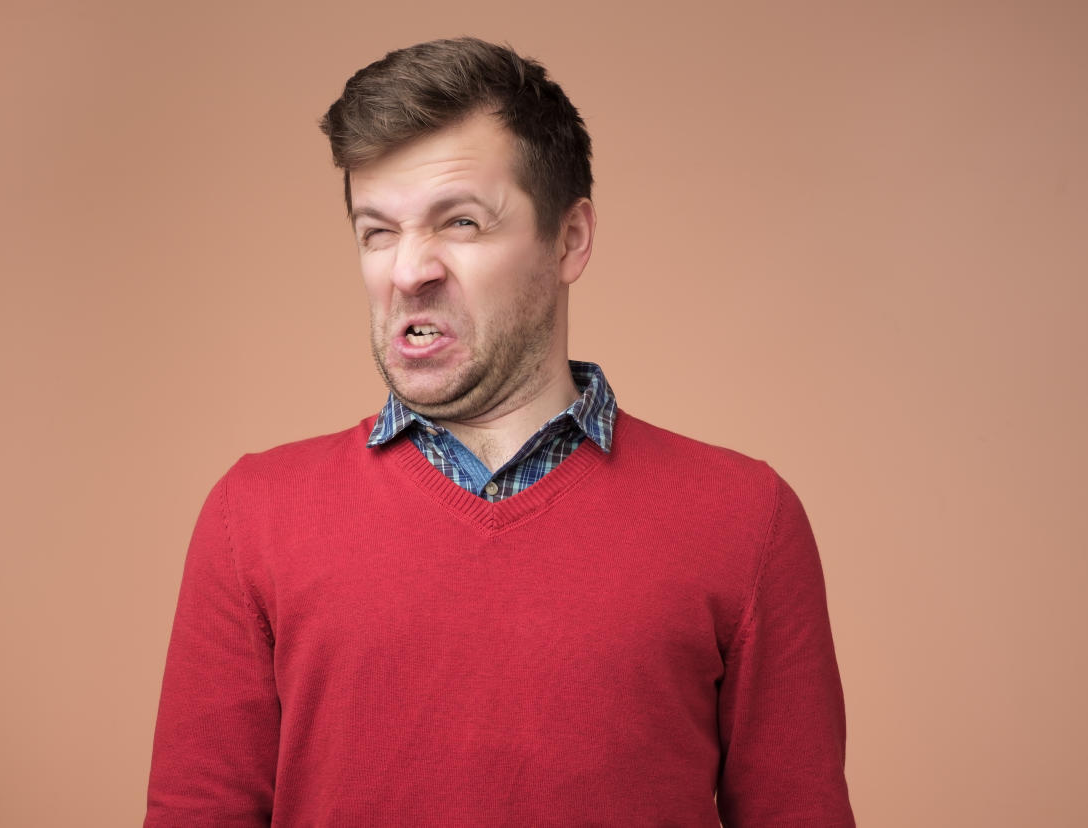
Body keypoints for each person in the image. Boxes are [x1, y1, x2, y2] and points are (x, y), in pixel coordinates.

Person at [144, 37, 854, 827]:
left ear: (570, 239)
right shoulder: (255, 517)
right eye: (377, 230)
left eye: (462, 222)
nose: (408, 270)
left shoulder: (745, 519)